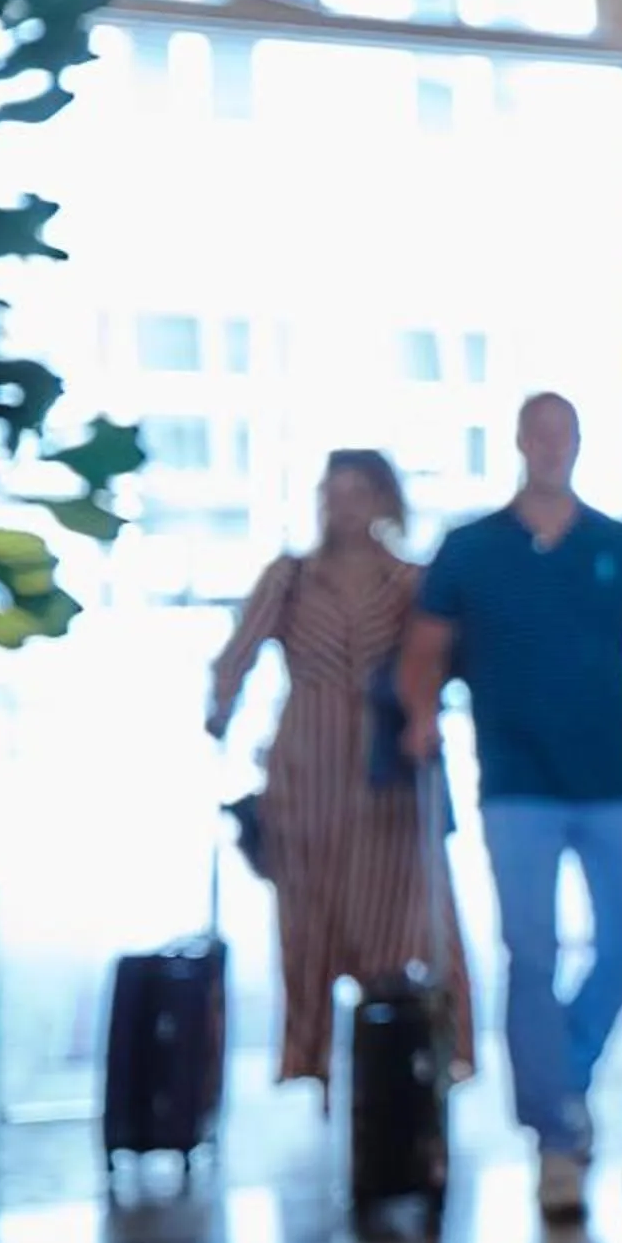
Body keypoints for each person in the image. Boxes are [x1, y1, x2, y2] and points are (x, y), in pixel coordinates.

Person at [401, 392, 622, 1225]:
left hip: (613, 778)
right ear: (518, 441)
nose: (548, 445)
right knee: (528, 952)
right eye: (536, 431)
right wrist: (421, 714)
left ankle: (559, 1085)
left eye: (562, 432)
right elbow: (422, 651)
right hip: (516, 782)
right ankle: (555, 1141)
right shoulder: (469, 549)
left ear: (577, 441)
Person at [208, 449, 473, 1089]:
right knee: (307, 921)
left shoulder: (410, 582)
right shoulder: (291, 578)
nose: (344, 504)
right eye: (334, 491)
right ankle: (310, 1056)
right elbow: (235, 656)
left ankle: (414, 1053)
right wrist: (219, 711)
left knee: (404, 915)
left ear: (384, 500)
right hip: (306, 772)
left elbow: (437, 663)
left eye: (359, 491)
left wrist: (425, 716)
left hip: (389, 775)